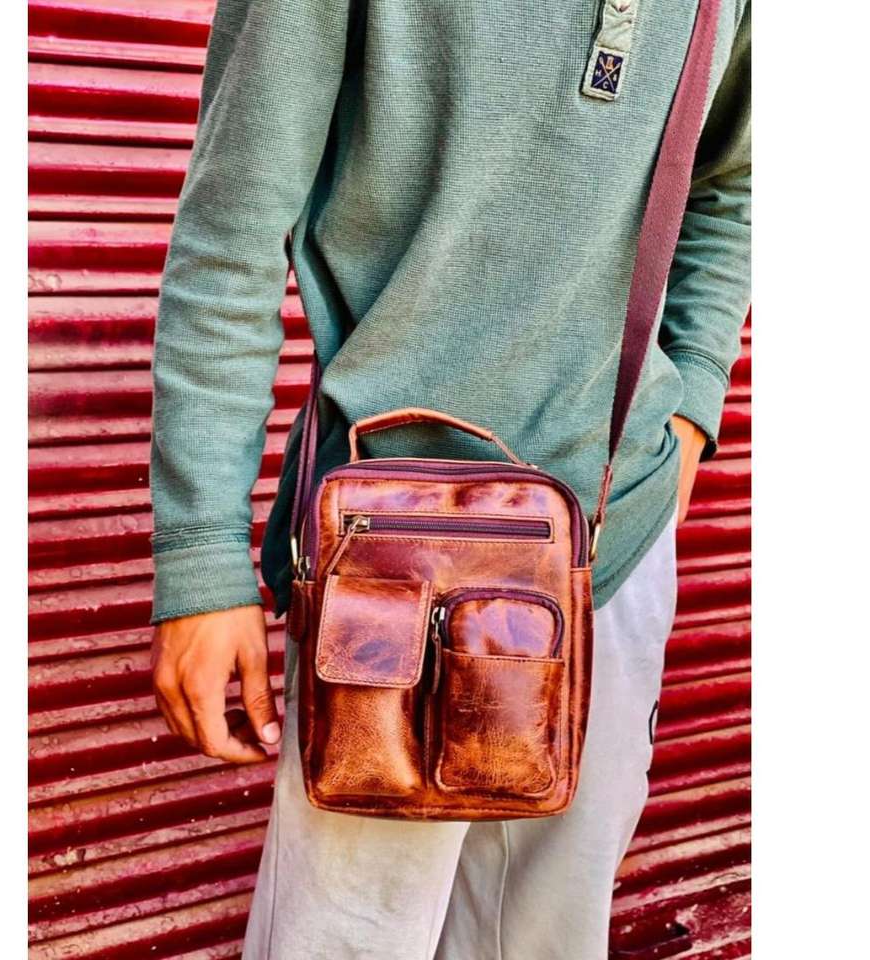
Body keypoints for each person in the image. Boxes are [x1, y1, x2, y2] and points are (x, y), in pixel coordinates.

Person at [148, 0, 751, 957]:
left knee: (548, 940)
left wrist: (690, 400)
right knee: (346, 943)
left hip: (615, 540)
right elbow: (230, 236)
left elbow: (731, 179)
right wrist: (200, 555)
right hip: (384, 577)